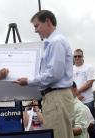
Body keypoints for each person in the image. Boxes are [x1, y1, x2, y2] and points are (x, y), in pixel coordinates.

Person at [15, 10, 74, 138]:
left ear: (47, 22)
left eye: (37, 26)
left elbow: (54, 74)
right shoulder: (53, 42)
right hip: (55, 97)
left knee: (58, 135)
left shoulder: (56, 42)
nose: (35, 30)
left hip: (56, 97)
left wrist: (29, 81)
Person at [73, 49, 95, 138]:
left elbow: (89, 83)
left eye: (79, 56)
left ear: (83, 57)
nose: (77, 58)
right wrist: (75, 96)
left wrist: (76, 92)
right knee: (78, 126)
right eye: (75, 56)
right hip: (76, 102)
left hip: (87, 101)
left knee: (90, 125)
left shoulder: (89, 67)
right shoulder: (70, 69)